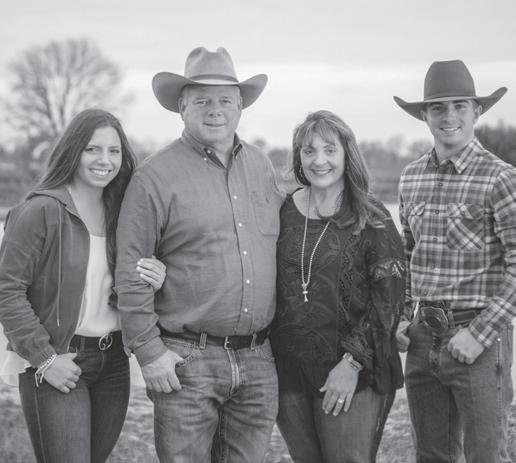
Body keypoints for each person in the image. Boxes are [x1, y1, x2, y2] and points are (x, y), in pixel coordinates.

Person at [114, 47, 284, 462]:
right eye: (202, 100)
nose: (215, 110)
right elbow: (131, 270)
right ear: (182, 107)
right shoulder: (154, 177)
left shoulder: (261, 166)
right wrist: (149, 353)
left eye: (225, 99)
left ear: (240, 106)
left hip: (258, 358)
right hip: (186, 358)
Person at [0, 108, 166, 463]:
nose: (104, 160)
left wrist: (156, 277)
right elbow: (7, 290)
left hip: (114, 361)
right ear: (72, 151)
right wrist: (45, 359)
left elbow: (124, 286)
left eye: (114, 151)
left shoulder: (125, 214)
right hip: (59, 358)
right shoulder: (40, 211)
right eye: (92, 149)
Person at [395, 60, 514, 462]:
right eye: (438, 108)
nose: (449, 117)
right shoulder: (411, 177)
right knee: (431, 455)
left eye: (459, 106)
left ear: (476, 111)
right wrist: (401, 317)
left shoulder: (500, 178)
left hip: (478, 336)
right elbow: (408, 256)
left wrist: (479, 334)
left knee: (486, 455)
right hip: (421, 337)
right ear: (425, 116)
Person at [270, 110, 405, 463]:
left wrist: (353, 362)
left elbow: (389, 301)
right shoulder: (283, 211)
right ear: (298, 157)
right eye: (309, 151)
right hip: (289, 373)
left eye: (330, 149)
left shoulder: (371, 216)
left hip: (351, 373)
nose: (319, 160)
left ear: (347, 154)